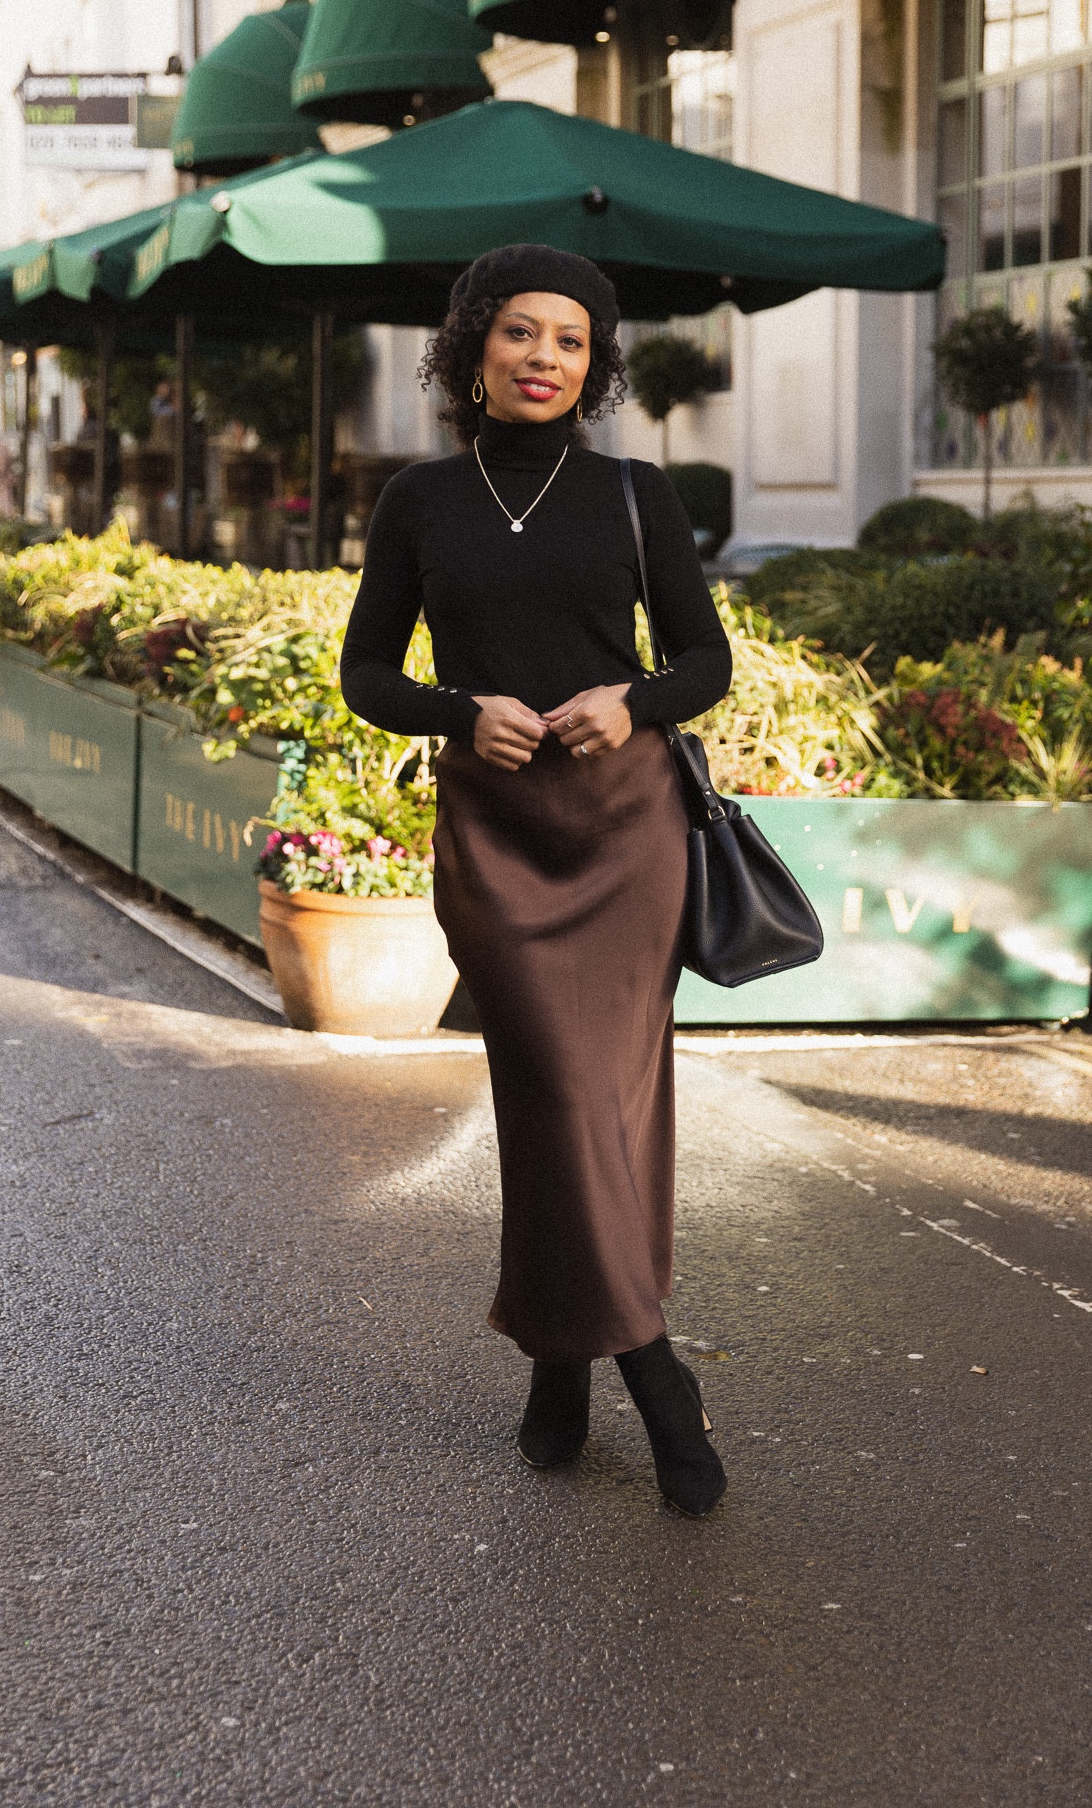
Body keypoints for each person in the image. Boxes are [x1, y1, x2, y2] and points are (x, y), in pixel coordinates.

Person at [340, 245, 734, 1516]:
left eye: (569, 340)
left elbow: (702, 660)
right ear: (473, 350)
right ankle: (654, 1376)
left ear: (594, 362)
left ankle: (562, 1367)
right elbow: (365, 675)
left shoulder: (634, 492)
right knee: (556, 1094)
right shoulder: (419, 500)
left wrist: (633, 701)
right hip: (499, 835)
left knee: (603, 1104)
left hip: (626, 834)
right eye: (520, 334)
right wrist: (459, 712)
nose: (544, 359)